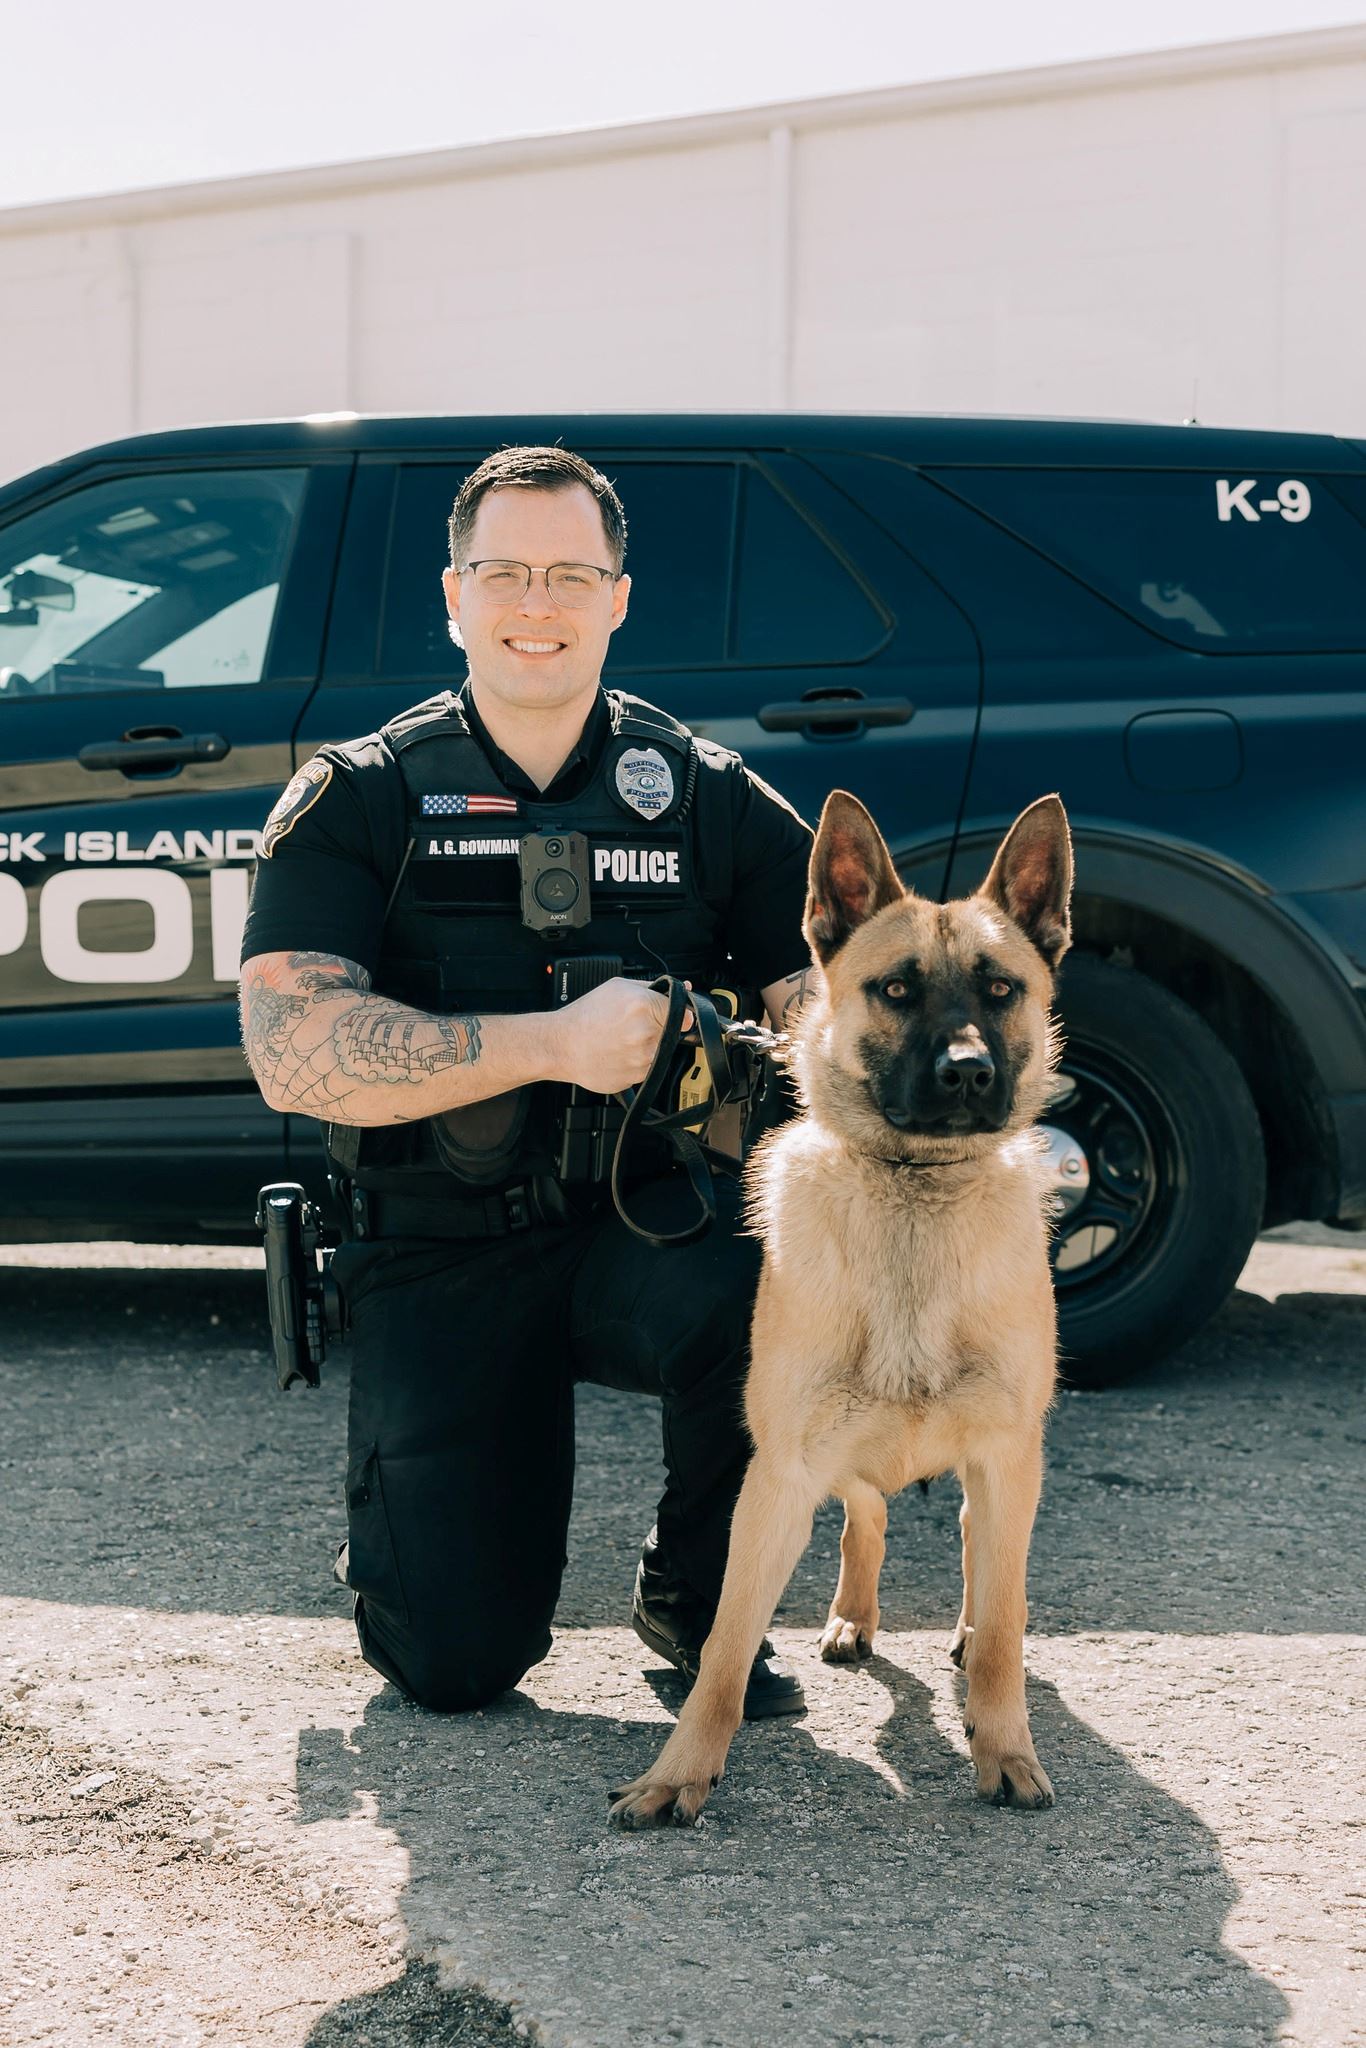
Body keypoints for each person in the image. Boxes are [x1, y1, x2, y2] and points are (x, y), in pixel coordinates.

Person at [239, 445, 815, 1718]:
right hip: (440, 1243)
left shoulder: (708, 797)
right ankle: (418, 1551)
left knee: (779, 1276)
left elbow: (829, 1001)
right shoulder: (360, 795)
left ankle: (702, 1597)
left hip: (651, 1222)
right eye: (503, 573)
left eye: (571, 574)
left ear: (618, 598)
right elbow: (289, 1045)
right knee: (449, 1666)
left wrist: (773, 1050)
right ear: (455, 596)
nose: (536, 603)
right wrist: (551, 1043)